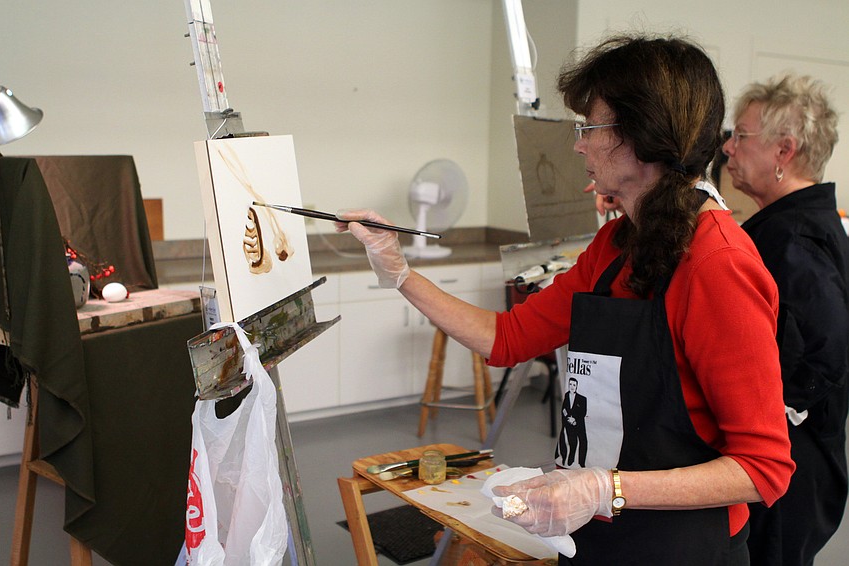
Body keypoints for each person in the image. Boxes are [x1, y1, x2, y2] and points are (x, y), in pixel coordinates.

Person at [337, 34, 794, 564]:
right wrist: (399, 272)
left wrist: (606, 489)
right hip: (592, 532)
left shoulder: (719, 265)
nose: (578, 145)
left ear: (639, 136)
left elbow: (763, 469)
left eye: (589, 128)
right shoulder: (616, 244)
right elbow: (505, 339)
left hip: (679, 546)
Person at [723, 73, 849, 566]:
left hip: (790, 474)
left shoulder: (791, 239)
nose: (729, 148)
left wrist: (769, 416)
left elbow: (830, 346)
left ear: (784, 151)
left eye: (741, 136)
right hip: (801, 462)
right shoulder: (805, 223)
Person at [560, 377, 588, 468]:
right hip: (569, 423)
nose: (572, 387)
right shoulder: (566, 395)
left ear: (577, 386)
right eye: (570, 384)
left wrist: (575, 420)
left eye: (574, 385)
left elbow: (583, 412)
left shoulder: (582, 398)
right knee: (572, 442)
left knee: (583, 441)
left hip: (579, 424)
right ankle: (570, 460)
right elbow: (564, 409)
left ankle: (582, 462)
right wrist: (568, 418)